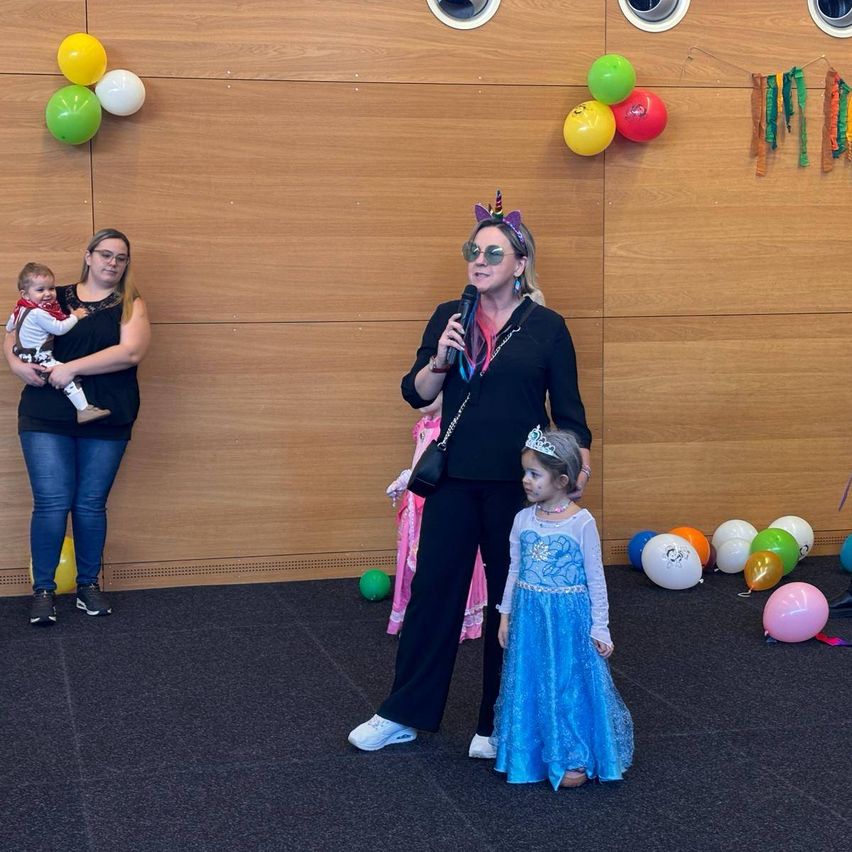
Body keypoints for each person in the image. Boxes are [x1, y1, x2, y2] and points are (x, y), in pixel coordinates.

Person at [348, 190, 592, 757]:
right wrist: (439, 357)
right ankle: (403, 712)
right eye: (473, 252)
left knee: (512, 603)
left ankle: (496, 722)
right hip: (454, 481)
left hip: (521, 488)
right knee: (435, 594)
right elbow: (416, 393)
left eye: (493, 253)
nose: (478, 262)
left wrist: (573, 474)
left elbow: (572, 416)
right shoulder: (448, 317)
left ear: (520, 264)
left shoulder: (548, 327)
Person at [3, 229, 151, 626]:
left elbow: (131, 352)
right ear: (88, 256)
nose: (112, 263)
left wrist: (71, 368)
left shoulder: (129, 303)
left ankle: (88, 585)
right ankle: (44, 592)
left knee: (89, 505)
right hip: (46, 415)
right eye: (105, 254)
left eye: (121, 257)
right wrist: (16, 364)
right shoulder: (54, 294)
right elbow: (12, 331)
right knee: (52, 503)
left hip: (108, 414)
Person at [492, 426, 633, 790]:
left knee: (567, 684)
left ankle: (573, 754)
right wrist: (505, 614)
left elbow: (596, 579)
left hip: (569, 622)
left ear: (562, 479)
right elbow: (514, 569)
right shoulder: (523, 520)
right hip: (530, 617)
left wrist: (600, 626)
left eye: (534, 474)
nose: (525, 480)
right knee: (532, 680)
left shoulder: (580, 523)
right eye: (525, 472)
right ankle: (532, 754)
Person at [385, 392, 487, 642]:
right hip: (416, 504)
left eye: (434, 393)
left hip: (436, 505)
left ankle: (450, 623)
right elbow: (423, 464)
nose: (425, 399)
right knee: (415, 563)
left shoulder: (448, 429)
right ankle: (417, 617)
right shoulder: (422, 426)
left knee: (438, 562)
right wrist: (405, 479)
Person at [6, 262, 111, 424]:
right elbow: (59, 329)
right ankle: (83, 409)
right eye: (40, 290)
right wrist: (75, 316)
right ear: (25, 294)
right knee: (66, 377)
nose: (48, 294)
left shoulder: (19, 309)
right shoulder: (39, 313)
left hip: (23, 354)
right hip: (39, 357)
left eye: (51, 288)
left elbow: (9, 327)